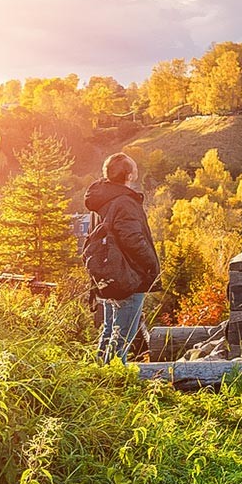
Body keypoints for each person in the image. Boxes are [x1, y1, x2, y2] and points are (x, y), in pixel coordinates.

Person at [83, 152, 161, 361]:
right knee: (123, 334)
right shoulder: (124, 202)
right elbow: (132, 238)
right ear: (129, 175)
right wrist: (152, 266)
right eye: (134, 169)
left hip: (107, 275)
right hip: (128, 275)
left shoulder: (100, 200)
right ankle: (116, 379)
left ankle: (100, 374)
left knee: (110, 330)